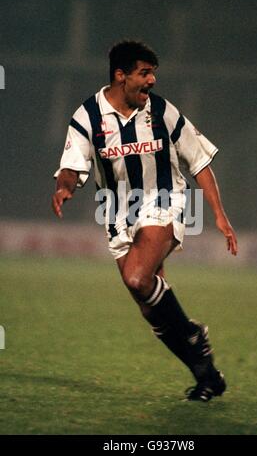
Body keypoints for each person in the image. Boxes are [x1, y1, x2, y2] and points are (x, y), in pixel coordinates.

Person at [52, 40, 238, 401]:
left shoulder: (163, 112)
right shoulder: (88, 116)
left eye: (153, 73)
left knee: (138, 277)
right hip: (117, 213)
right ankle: (207, 375)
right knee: (149, 305)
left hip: (164, 201)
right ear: (121, 76)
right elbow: (72, 167)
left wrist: (219, 215)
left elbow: (199, 162)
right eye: (144, 73)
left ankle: (193, 340)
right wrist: (65, 188)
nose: (152, 81)